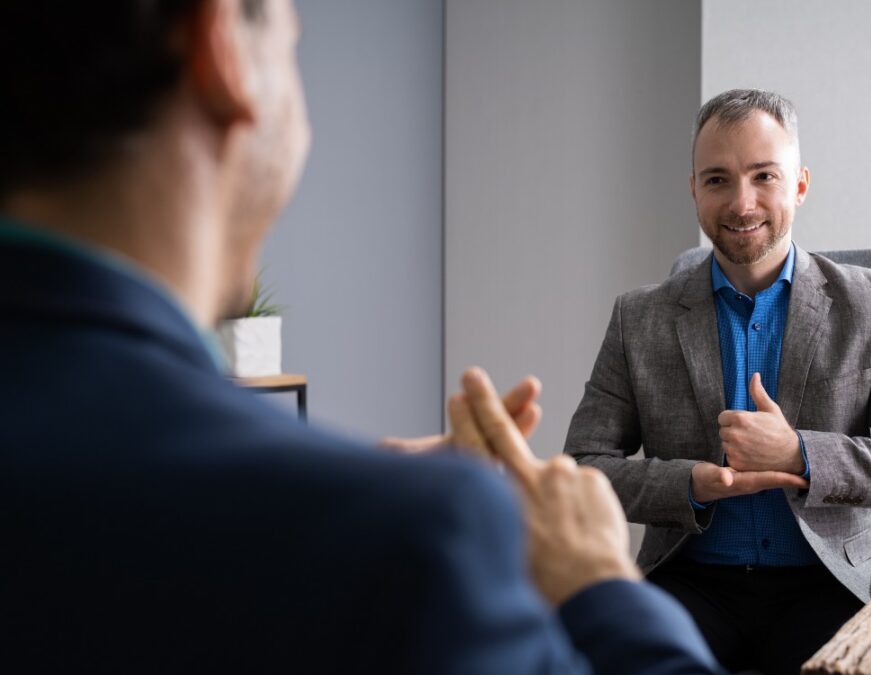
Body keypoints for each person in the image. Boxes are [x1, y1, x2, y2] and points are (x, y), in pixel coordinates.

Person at [0, 1, 723, 673]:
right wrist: (596, 578)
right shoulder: (412, 543)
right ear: (221, 48)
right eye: (293, 45)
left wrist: (344, 479)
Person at [564, 89, 871, 674]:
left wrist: (801, 454)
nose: (742, 202)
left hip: (831, 583)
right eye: (718, 179)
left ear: (799, 185)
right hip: (691, 581)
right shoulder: (639, 317)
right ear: (694, 189)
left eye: (763, 176)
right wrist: (691, 484)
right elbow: (582, 470)